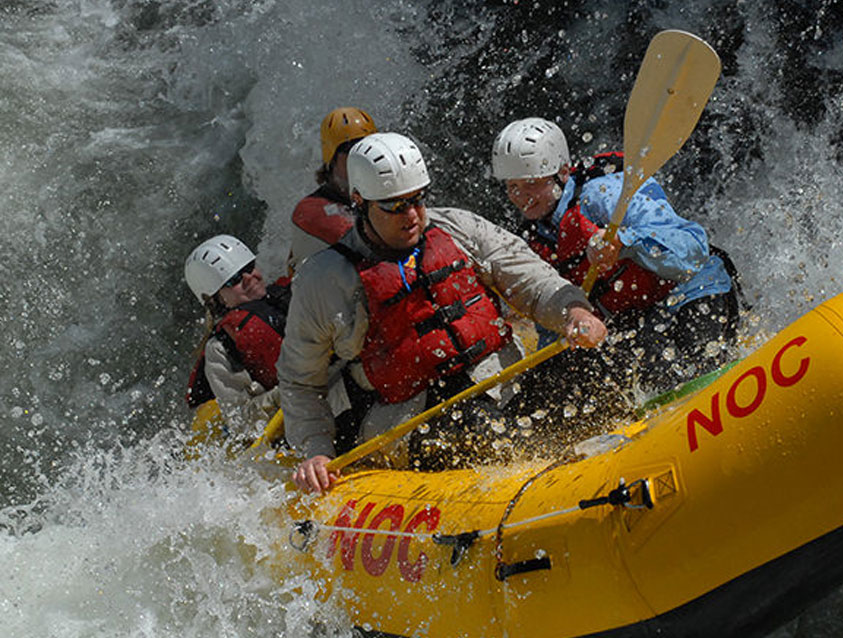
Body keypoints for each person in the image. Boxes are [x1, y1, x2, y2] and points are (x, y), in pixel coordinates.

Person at [278, 132, 607, 493]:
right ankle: (557, 489)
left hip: (496, 387)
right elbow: (300, 381)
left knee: (588, 369)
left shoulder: (457, 227)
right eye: (394, 206)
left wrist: (574, 313)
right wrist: (316, 450)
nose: (412, 216)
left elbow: (532, 280)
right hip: (410, 420)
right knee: (475, 427)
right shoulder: (323, 280)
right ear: (359, 201)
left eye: (417, 200)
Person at [490, 117, 740, 403]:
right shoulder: (534, 242)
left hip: (693, 293)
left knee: (689, 365)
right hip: (640, 316)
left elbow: (693, 250)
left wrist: (624, 242)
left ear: (561, 172)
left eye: (532, 184)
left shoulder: (604, 194)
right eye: (513, 186)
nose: (522, 197)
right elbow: (552, 321)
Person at [184, 235, 354, 444]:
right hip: (303, 424)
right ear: (215, 299)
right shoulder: (220, 348)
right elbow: (241, 423)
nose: (249, 278)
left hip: (348, 390)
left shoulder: (293, 293)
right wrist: (289, 391)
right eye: (233, 280)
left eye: (249, 267)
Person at [288, 106, 378, 273]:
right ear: (332, 159)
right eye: (351, 150)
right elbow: (371, 245)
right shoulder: (310, 212)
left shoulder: (370, 196)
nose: (362, 158)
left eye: (368, 148)